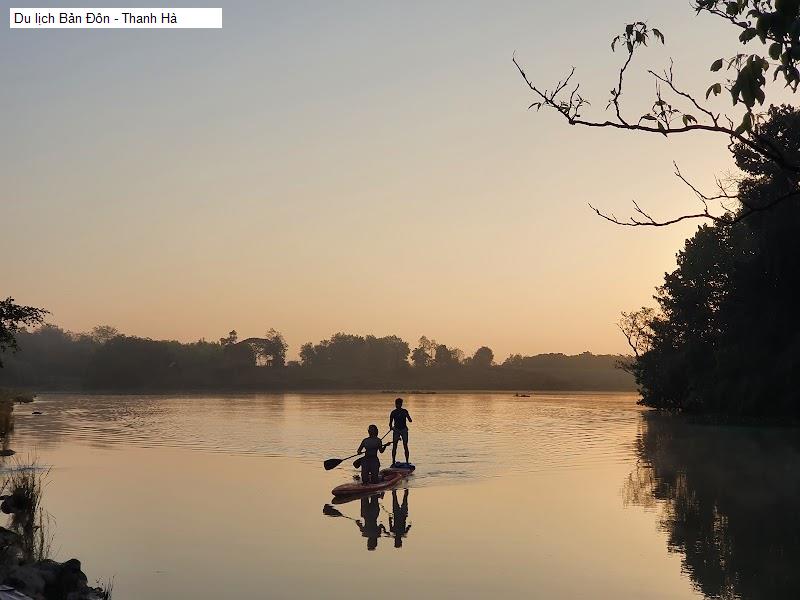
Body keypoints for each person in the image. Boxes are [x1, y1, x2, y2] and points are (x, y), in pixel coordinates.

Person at [389, 397, 412, 465]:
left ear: (401, 404)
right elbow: (390, 423)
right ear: (395, 404)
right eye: (397, 404)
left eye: (399, 404)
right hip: (396, 430)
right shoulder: (393, 412)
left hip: (404, 430)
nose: (398, 405)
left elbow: (410, 420)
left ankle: (407, 461)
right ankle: (393, 462)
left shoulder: (405, 411)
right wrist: (391, 427)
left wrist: (407, 415)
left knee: (405, 445)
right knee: (394, 446)